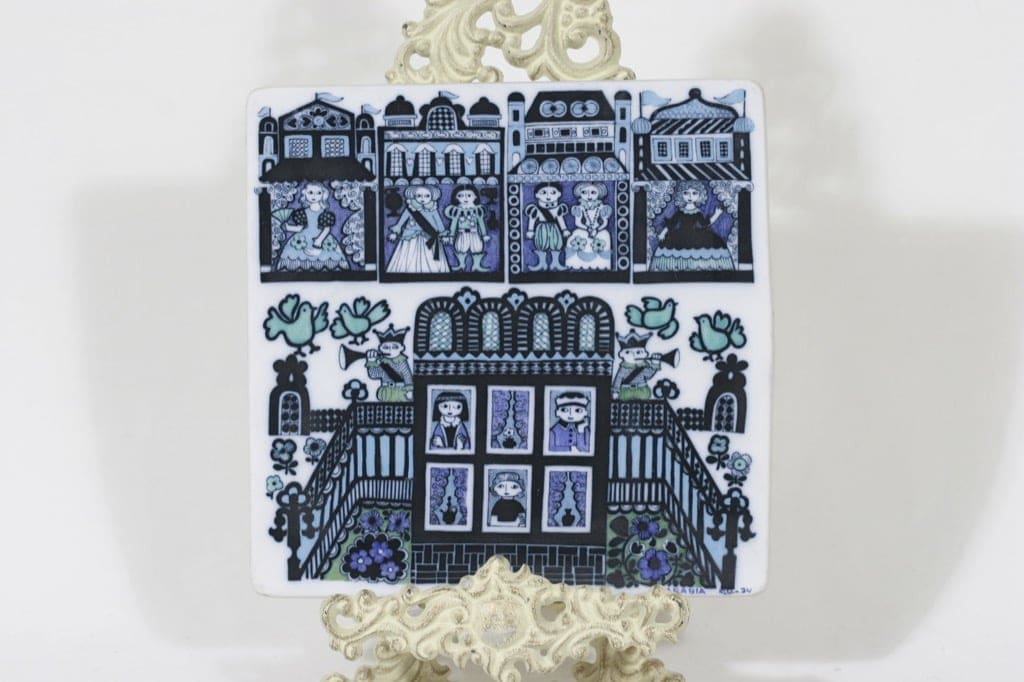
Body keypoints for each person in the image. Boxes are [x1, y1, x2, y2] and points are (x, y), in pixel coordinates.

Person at [650, 181, 732, 272]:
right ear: (681, 195)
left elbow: (705, 223)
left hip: (697, 236)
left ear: (699, 195)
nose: (690, 196)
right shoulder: (680, 212)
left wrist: (717, 214)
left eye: (694, 193)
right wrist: (663, 233)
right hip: (680, 236)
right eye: (686, 193)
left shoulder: (698, 212)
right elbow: (671, 224)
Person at [276, 182, 348, 271]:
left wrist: (318, 242)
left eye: (318, 193)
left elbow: (327, 229)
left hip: (322, 239)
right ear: (305, 194)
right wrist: (288, 227)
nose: (314, 196)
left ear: (323, 195)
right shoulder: (301, 213)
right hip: (301, 241)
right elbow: (299, 228)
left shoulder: (325, 214)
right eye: (310, 192)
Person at [386, 185, 450, 274]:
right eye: (419, 196)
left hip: (429, 237)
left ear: (432, 196)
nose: (423, 198)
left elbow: (439, 223)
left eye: (427, 196)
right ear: (414, 196)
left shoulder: (433, 210)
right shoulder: (410, 209)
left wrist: (444, 235)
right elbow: (400, 222)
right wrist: (395, 233)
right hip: (410, 237)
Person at [567, 182, 613, 270]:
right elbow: (578, 223)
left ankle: (601, 267)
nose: (589, 196)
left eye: (593, 192)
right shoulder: (579, 208)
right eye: (584, 192)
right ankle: (576, 266)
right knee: (577, 240)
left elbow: (605, 223)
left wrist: (596, 229)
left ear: (599, 193)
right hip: (584, 229)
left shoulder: (602, 208)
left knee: (603, 239)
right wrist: (587, 229)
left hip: (598, 230)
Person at [444, 184, 490, 272]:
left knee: (477, 248)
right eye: (460, 196)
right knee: (460, 248)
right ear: (456, 197)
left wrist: (484, 235)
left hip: (474, 233)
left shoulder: (477, 210)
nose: (465, 198)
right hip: (462, 233)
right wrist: (451, 236)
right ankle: (461, 265)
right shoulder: (457, 211)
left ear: (475, 197)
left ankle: (476, 265)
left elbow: (481, 223)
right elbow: (453, 224)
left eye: (469, 195)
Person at [525, 182, 569, 271]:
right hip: (541, 229)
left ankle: (556, 263)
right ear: (537, 195)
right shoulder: (535, 209)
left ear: (559, 194)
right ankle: (541, 264)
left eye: (553, 193)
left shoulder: (558, 208)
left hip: (554, 228)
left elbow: (560, 219)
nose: (548, 196)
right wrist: (530, 230)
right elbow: (532, 219)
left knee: (556, 244)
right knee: (541, 244)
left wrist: (564, 230)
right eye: (543, 193)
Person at [363, 325, 412, 402]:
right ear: (380, 348)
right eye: (385, 347)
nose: (390, 350)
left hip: (400, 391)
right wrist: (371, 361)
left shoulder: (402, 361)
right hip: (386, 391)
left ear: (402, 348)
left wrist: (409, 389)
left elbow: (407, 375)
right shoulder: (382, 362)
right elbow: (374, 375)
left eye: (395, 347)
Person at [612, 330, 662, 401]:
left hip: (641, 389)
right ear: (622, 354)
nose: (633, 355)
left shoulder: (643, 366)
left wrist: (655, 363)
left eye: (638, 352)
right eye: (628, 352)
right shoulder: (623, 367)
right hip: (626, 390)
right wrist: (616, 391)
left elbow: (649, 375)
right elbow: (618, 379)